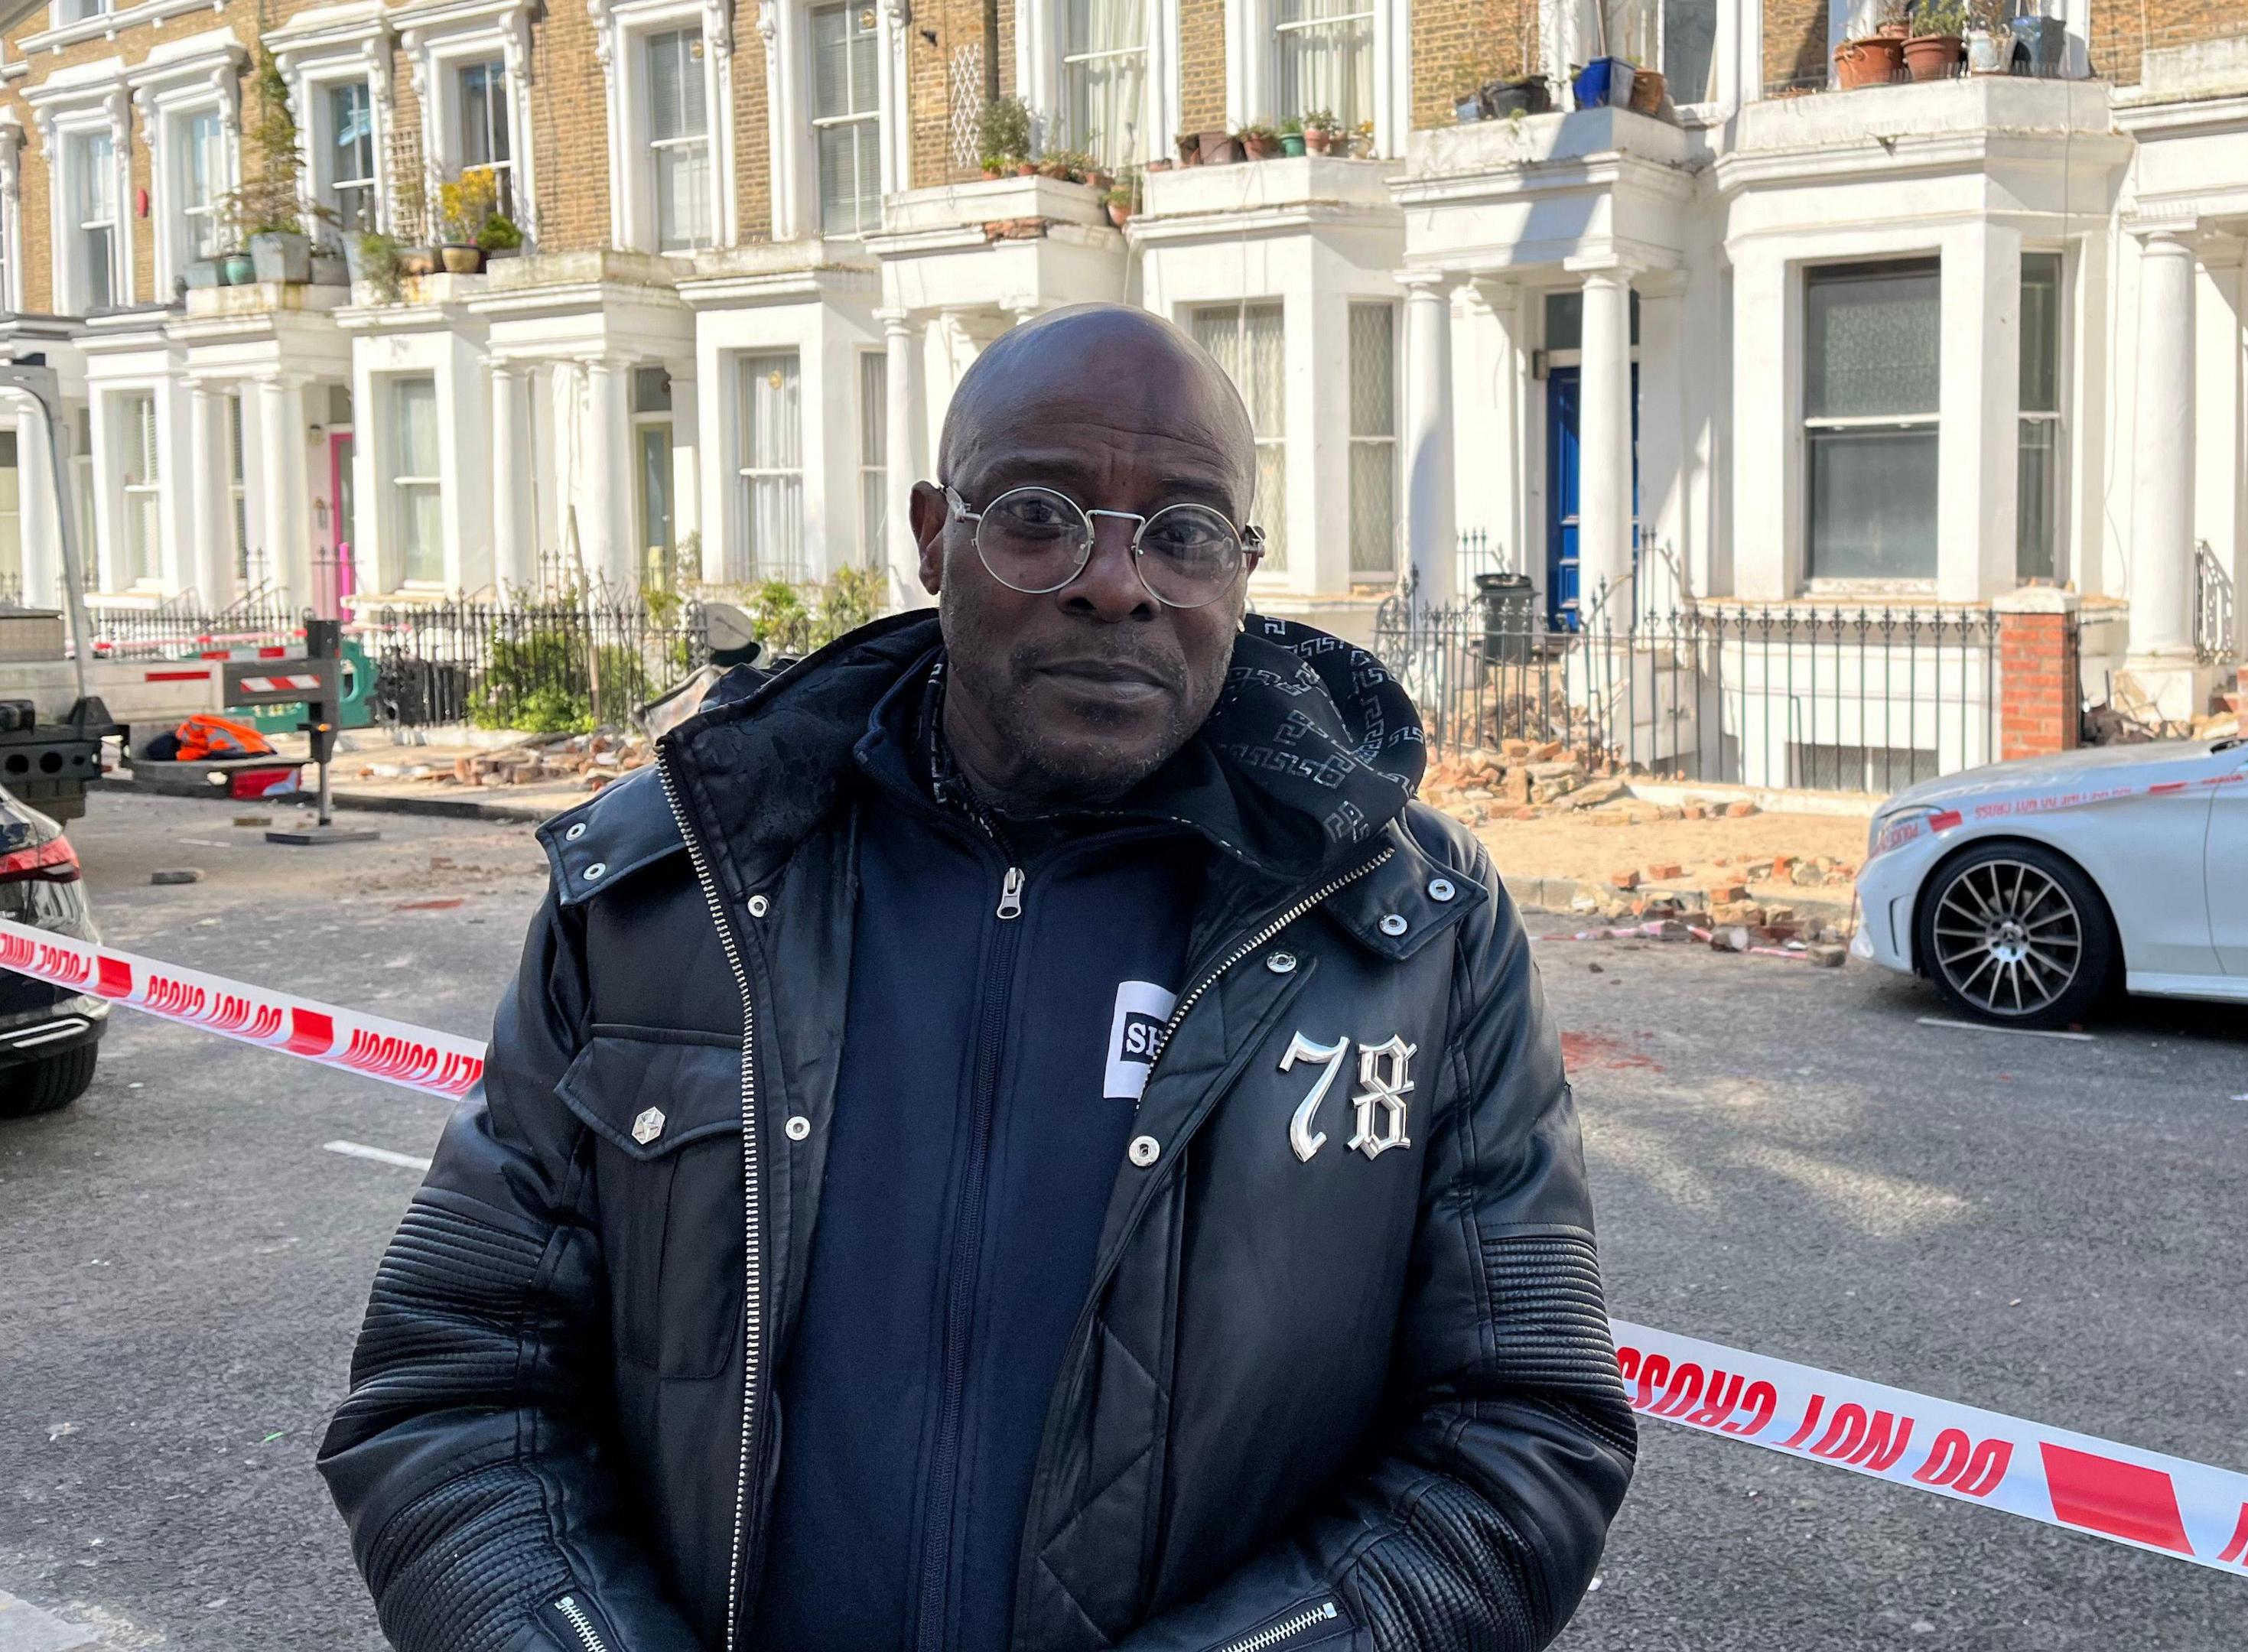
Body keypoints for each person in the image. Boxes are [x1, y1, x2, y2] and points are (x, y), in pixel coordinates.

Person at [317, 303, 1635, 1652]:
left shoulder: (1418, 927)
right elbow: (458, 1393)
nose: (1117, 583)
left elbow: (1519, 1427)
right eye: (1041, 514)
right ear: (935, 534)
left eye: (1183, 532)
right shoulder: (665, 894)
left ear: (1241, 568)